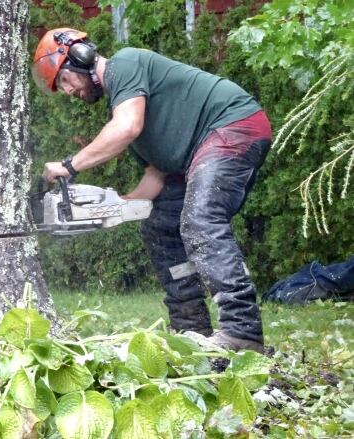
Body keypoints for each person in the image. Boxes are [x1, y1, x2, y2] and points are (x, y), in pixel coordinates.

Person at [33, 28, 272, 352]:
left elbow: (125, 127)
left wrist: (69, 165)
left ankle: (243, 332)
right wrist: (116, 206)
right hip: (200, 150)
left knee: (201, 220)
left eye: (63, 80)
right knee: (159, 227)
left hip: (232, 125)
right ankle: (191, 329)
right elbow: (156, 176)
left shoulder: (125, 65)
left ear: (80, 57)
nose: (67, 91)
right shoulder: (127, 106)